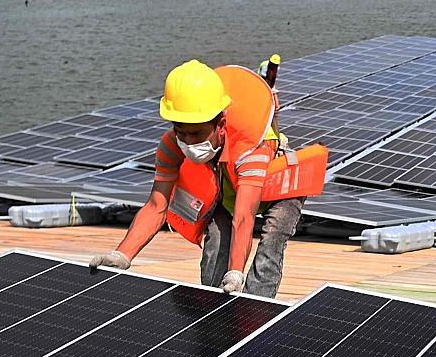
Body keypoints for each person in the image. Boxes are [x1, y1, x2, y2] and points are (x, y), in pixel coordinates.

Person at [88, 59, 322, 297]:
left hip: (278, 189)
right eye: (181, 131)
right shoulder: (172, 146)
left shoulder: (251, 149)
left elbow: (243, 217)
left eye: (197, 133)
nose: (189, 141)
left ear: (220, 124)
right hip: (228, 187)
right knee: (217, 242)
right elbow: (156, 206)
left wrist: (236, 273)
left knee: (271, 241)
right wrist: (122, 255)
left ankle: (256, 307)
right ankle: (214, 311)